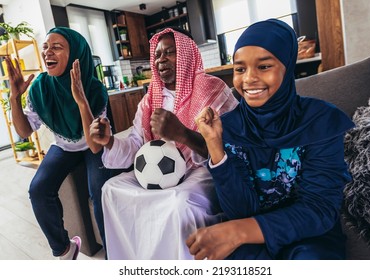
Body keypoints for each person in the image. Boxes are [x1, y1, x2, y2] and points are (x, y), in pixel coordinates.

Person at [187, 19, 355, 260]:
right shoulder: (229, 126)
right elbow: (241, 211)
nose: (248, 79)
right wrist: (215, 145)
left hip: (311, 239)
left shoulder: (320, 121)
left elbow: (319, 210)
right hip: (252, 242)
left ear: (287, 67)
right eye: (240, 69)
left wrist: (238, 232)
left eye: (264, 66)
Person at [90, 27, 238, 259]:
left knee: (180, 202)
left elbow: (232, 146)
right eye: (157, 55)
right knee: (111, 188)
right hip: (157, 171)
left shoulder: (212, 89)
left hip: (201, 170)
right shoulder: (149, 100)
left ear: (187, 55)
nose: (161, 60)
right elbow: (135, 144)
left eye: (169, 52)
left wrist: (183, 134)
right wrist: (109, 142)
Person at [6, 27, 114, 260]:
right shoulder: (40, 87)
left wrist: (81, 99)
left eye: (56, 47)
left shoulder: (94, 89)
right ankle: (64, 250)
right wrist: (14, 97)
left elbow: (95, 145)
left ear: (76, 54)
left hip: (92, 144)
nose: (47, 52)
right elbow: (25, 131)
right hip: (64, 147)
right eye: (45, 47)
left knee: (99, 191)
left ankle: (114, 255)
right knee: (38, 189)